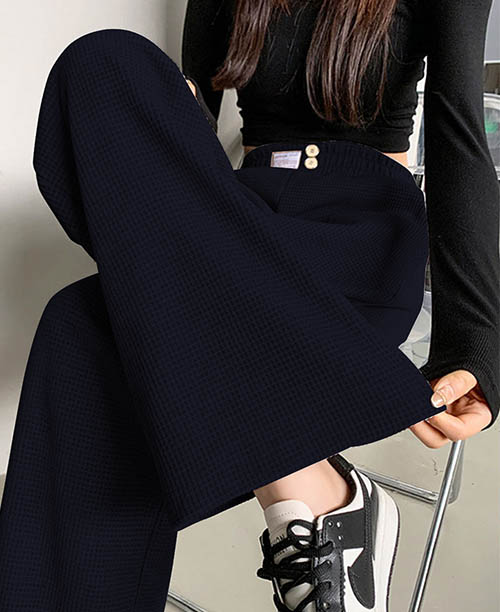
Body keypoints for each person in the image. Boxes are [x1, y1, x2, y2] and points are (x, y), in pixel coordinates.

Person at [0, 1, 498, 611]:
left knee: (89, 328)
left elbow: (458, 129)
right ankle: (319, 497)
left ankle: (309, 497)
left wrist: (474, 342)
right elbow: (188, 135)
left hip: (357, 240)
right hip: (243, 225)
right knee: (104, 62)